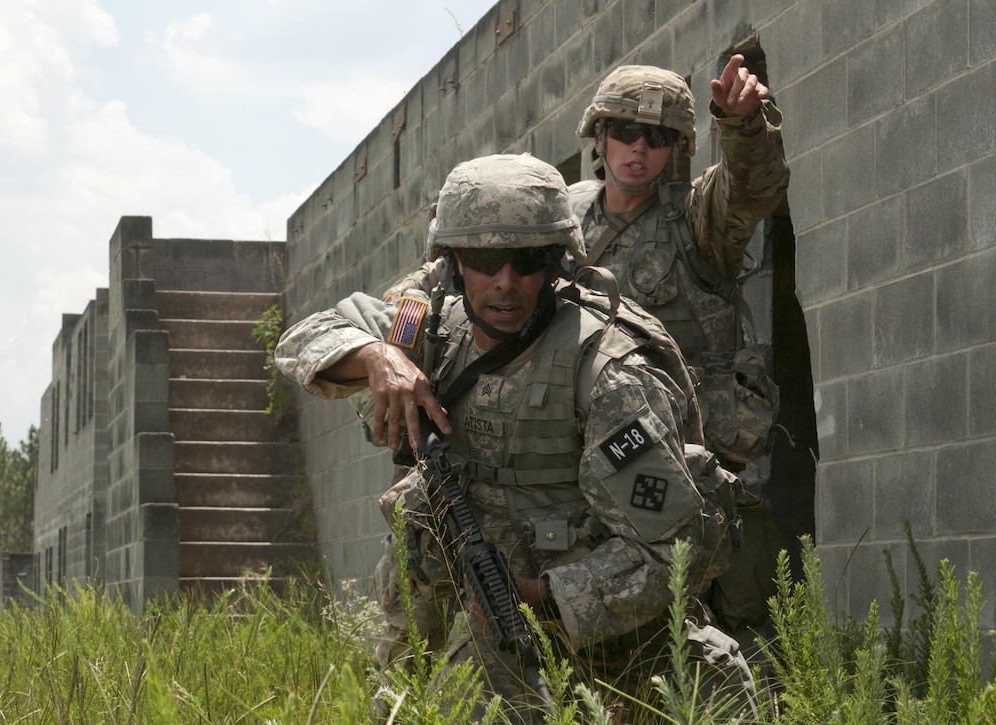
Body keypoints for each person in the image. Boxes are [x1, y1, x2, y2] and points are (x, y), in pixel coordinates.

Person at [275, 153, 755, 722]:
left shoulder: (606, 373)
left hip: (618, 649)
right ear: (452, 264)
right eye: (484, 259)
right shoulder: (428, 325)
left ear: (555, 262)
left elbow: (672, 549)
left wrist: (544, 597)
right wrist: (378, 357)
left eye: (526, 261)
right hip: (470, 635)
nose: (505, 282)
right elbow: (304, 338)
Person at [569, 54, 789, 471]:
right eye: (626, 130)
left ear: (674, 149)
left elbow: (752, 188)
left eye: (657, 137)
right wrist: (401, 336)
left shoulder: (696, 216)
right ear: (599, 137)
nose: (639, 146)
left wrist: (743, 126)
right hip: (579, 449)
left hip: (682, 457)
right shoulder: (562, 218)